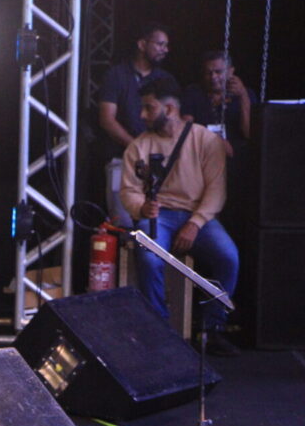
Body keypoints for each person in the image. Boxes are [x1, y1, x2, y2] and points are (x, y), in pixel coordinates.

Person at [119, 78, 240, 356]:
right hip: (158, 215)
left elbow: (216, 190)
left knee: (228, 257)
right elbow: (129, 190)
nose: (142, 115)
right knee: (150, 258)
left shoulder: (205, 141)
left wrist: (195, 224)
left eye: (149, 108)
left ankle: (212, 328)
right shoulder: (138, 147)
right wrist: (141, 208)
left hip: (198, 215)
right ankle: (161, 329)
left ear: (170, 109)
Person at [98, 22, 176, 227]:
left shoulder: (165, 79)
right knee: (123, 223)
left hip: (158, 163)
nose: (165, 50)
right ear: (142, 44)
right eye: (160, 44)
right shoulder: (116, 75)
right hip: (121, 159)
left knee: (156, 224)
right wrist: (136, 148)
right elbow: (107, 119)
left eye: (166, 45)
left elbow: (174, 121)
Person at [181, 50, 258, 158]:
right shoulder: (193, 92)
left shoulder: (246, 94)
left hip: (236, 154)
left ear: (230, 71)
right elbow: (185, 129)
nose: (213, 77)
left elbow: (249, 133)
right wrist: (214, 141)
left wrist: (243, 96)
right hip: (202, 151)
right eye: (208, 73)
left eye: (218, 72)